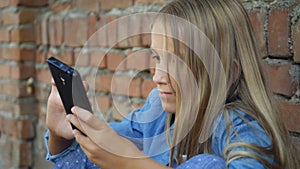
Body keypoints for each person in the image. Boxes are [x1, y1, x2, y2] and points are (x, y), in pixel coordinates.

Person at [45, 0, 300, 169]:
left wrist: (131, 162)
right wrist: (62, 137)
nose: (157, 76)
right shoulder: (157, 110)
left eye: (178, 61)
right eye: (157, 58)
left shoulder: (241, 132)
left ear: (226, 73)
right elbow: (91, 159)